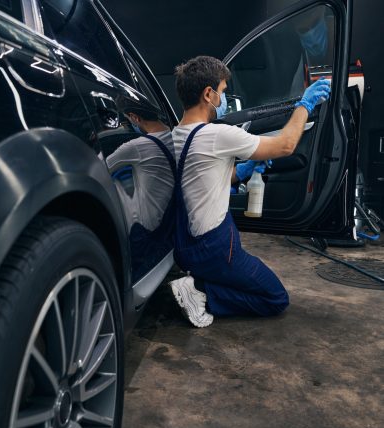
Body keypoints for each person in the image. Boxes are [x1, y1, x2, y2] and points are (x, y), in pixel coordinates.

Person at [169, 55, 331, 327]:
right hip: (216, 250)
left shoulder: (174, 136)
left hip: (185, 248)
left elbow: (204, 178)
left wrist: (242, 171)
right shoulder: (217, 136)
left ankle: (199, 282)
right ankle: (202, 293)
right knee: (275, 297)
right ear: (208, 94)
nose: (223, 100)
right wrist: (305, 104)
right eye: (221, 92)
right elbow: (285, 146)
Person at [106, 96, 176, 281]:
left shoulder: (137, 146)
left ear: (135, 118)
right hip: (172, 225)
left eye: (128, 119)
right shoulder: (179, 136)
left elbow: (102, 168)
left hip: (147, 233)